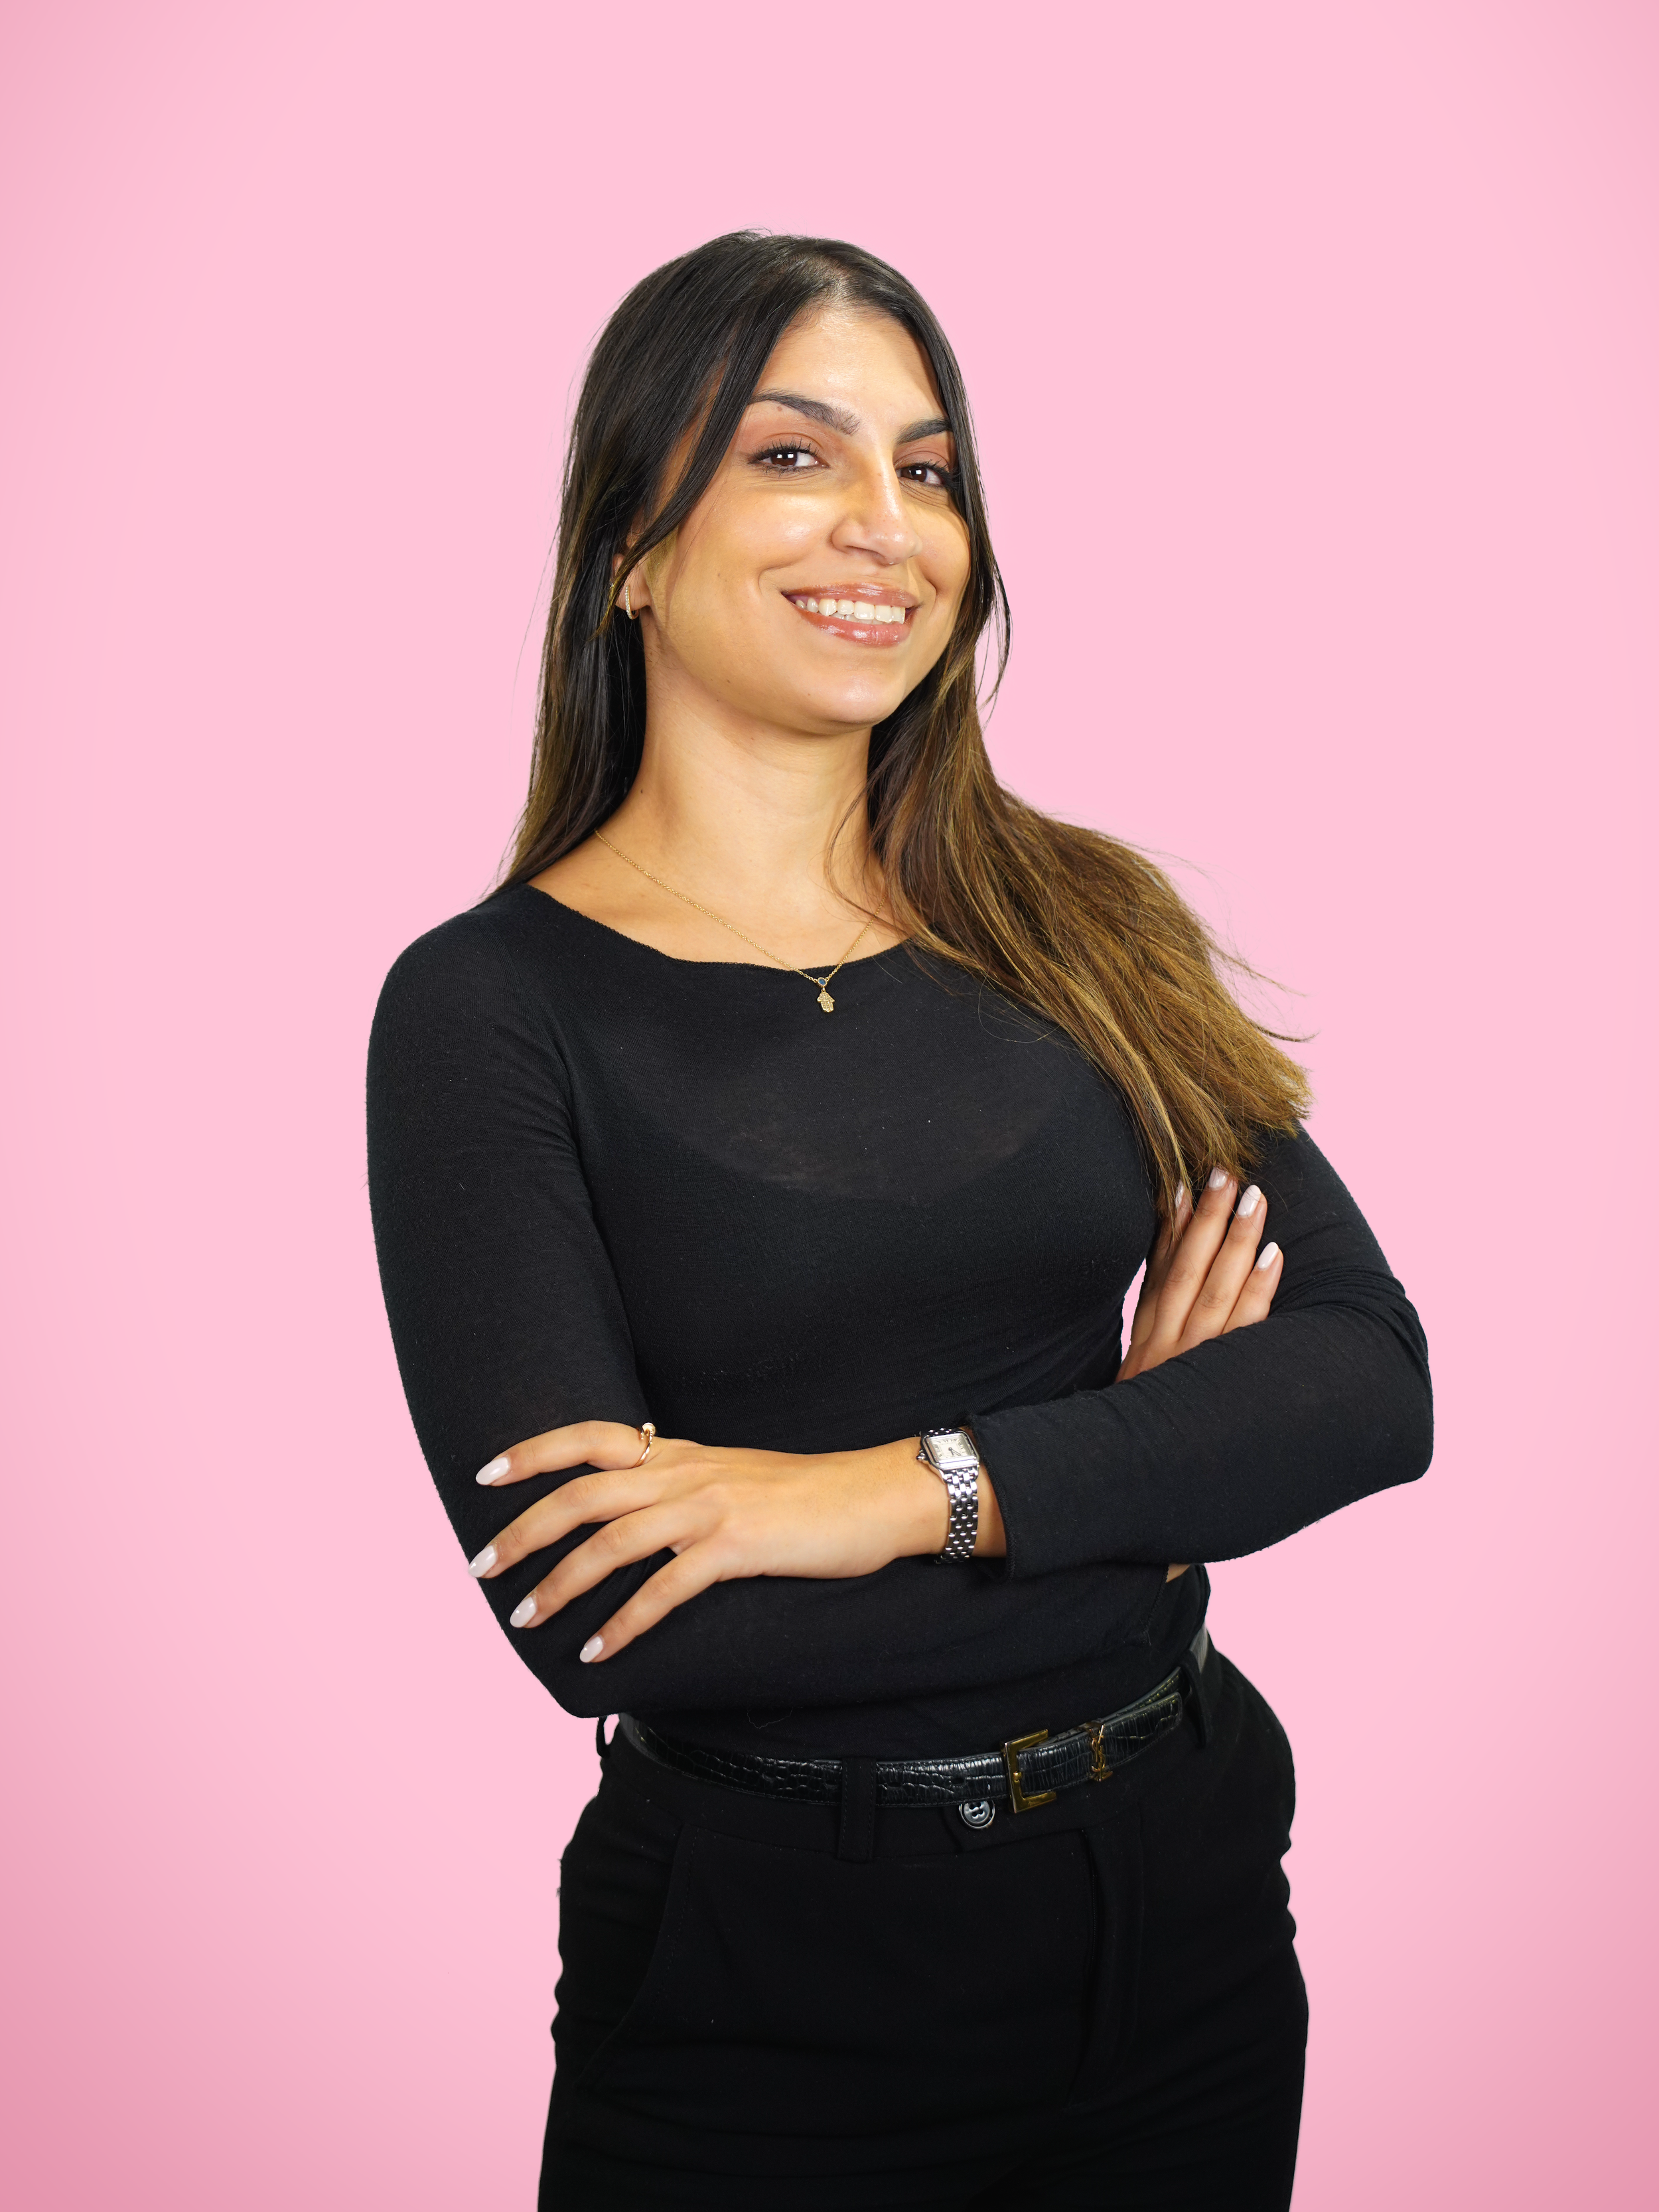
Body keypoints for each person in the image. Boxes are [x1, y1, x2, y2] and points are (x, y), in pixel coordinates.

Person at [366, 232, 1432, 2211]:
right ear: (628, 546)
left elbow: (1369, 1385)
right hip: (775, 1989)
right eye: (794, 455)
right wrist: (1142, 1466)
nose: (885, 526)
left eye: (928, 470)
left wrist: (876, 1489)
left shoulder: (1076, 919)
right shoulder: (489, 1012)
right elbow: (609, 1618)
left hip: (1179, 1904)